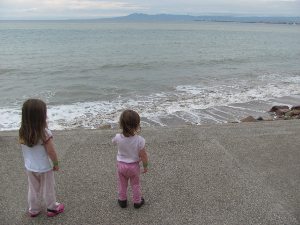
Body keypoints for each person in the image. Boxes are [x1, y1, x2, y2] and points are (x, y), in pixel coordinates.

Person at [19, 99, 64, 217]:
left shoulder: (22, 132)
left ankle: (33, 209)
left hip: (30, 167)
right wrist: (56, 163)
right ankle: (52, 208)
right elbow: (51, 151)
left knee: (33, 189)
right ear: (42, 117)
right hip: (44, 167)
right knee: (48, 188)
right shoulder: (45, 133)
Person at [112, 109, 149, 209]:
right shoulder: (140, 140)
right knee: (135, 185)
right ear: (137, 125)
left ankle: (122, 200)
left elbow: (113, 142)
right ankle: (137, 202)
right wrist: (145, 166)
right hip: (133, 166)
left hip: (121, 166)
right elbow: (144, 155)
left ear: (121, 124)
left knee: (122, 184)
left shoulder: (118, 137)